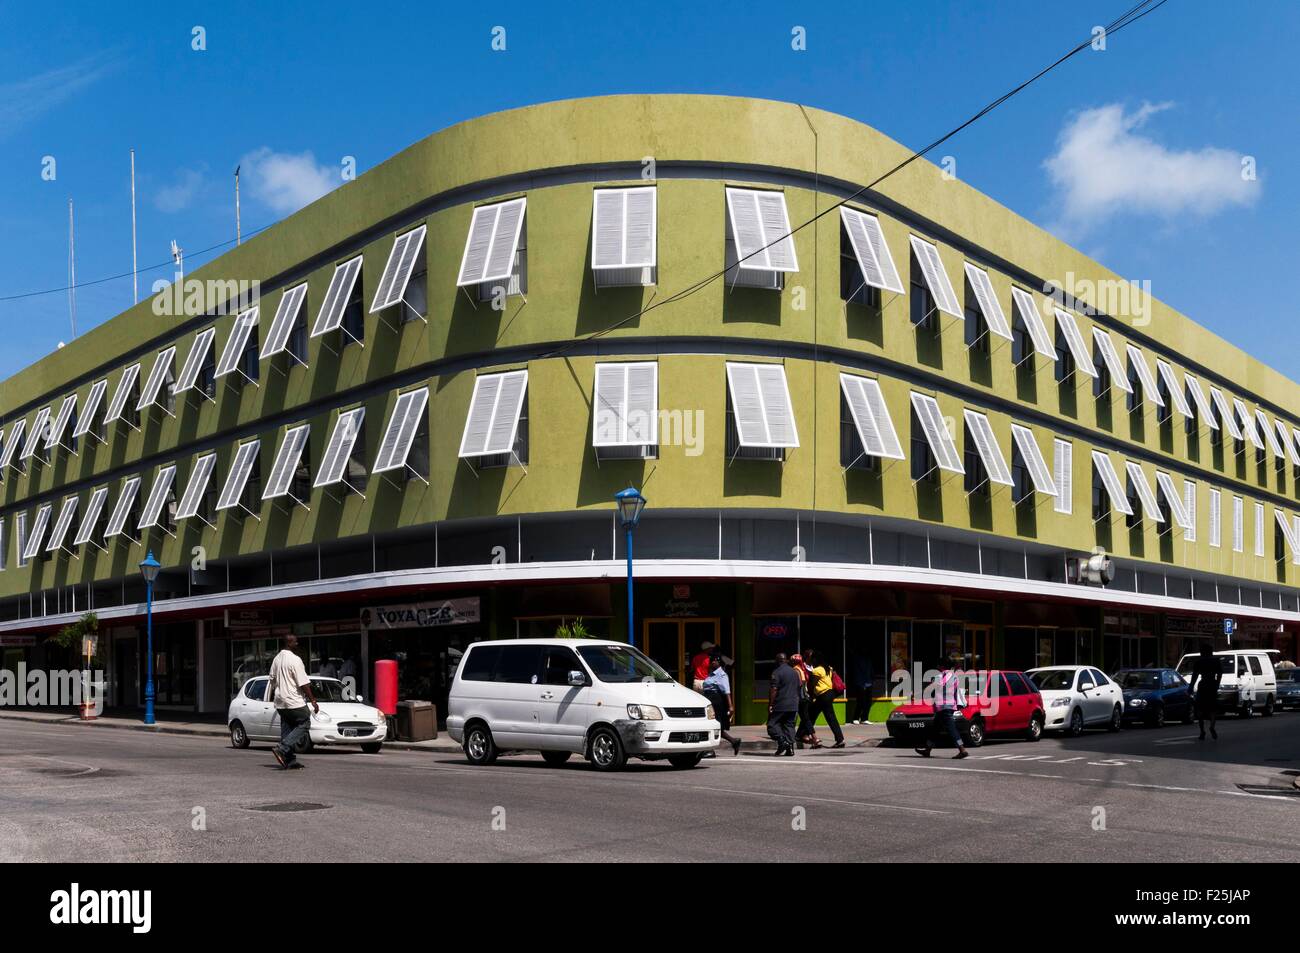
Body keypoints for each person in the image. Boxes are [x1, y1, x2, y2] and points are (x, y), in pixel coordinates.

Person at [267, 634, 319, 769]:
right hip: (294, 700)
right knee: (305, 722)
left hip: (280, 701)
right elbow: (303, 683)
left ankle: (289, 760)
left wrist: (277, 692)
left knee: (287, 726)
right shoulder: (295, 660)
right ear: (289, 643)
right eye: (295, 642)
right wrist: (313, 700)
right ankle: (282, 748)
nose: (297, 644)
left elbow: (271, 679)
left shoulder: (276, 659)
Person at [916, 656, 968, 760]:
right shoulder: (955, 677)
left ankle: (962, 750)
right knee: (935, 728)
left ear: (941, 666)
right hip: (950, 706)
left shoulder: (938, 677)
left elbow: (932, 691)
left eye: (938, 665)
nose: (937, 667)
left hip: (941, 707)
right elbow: (958, 691)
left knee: (951, 729)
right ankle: (927, 750)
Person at [702, 656, 742, 756]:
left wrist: (731, 706)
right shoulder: (711, 674)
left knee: (714, 725)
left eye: (716, 661)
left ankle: (710, 750)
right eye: (711, 661)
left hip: (717, 701)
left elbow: (726, 691)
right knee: (715, 726)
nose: (713, 662)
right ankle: (734, 741)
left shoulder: (722, 675)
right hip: (709, 701)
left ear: (719, 663)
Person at [805, 649, 845, 748]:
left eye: (813, 659)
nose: (812, 661)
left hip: (823, 695)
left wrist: (810, 695)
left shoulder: (817, 670)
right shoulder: (828, 668)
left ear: (815, 659)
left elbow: (812, 685)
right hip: (829, 694)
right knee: (816, 715)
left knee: (813, 716)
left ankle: (804, 735)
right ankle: (839, 739)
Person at [766, 652, 800, 756]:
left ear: (778, 661)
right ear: (785, 660)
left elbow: (774, 689)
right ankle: (790, 749)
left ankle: (783, 742)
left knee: (772, 725)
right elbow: (799, 686)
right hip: (793, 704)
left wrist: (771, 704)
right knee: (789, 726)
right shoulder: (794, 672)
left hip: (781, 704)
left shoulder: (777, 672)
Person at [1187, 644, 1222, 740]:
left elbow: (1195, 676)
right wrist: (1217, 684)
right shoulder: (1216, 661)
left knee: (1200, 709)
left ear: (1202, 653)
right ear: (1211, 652)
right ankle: (1212, 726)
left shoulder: (1199, 662)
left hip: (1203, 685)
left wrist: (1190, 687)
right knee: (1213, 708)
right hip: (1212, 685)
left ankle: (1202, 731)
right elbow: (1219, 674)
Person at [790, 653, 821, 749]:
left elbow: (798, 685)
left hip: (799, 698)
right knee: (805, 719)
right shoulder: (802, 669)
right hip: (805, 698)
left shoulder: (795, 670)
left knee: (803, 719)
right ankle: (801, 736)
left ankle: (814, 738)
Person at [849, 649, 874, 724]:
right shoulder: (857, 659)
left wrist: (871, 680)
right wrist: (862, 683)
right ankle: (855, 718)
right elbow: (858, 672)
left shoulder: (868, 659)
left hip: (868, 682)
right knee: (861, 701)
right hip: (860, 683)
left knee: (868, 701)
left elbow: (870, 671)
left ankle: (864, 718)